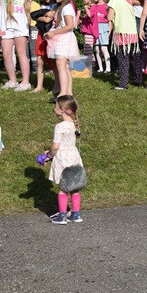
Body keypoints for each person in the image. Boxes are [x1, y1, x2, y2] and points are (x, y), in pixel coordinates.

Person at [42, 96, 84, 224]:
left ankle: (62, 216)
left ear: (62, 110)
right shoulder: (74, 124)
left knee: (63, 188)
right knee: (74, 188)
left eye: (56, 106)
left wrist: (48, 155)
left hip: (62, 158)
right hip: (74, 157)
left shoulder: (60, 126)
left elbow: (55, 147)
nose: (54, 108)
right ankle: (76, 214)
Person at [0, 0, 33, 90]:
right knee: (6, 54)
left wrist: (29, 30)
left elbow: (28, 13)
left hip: (20, 27)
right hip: (5, 27)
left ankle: (25, 82)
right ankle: (12, 80)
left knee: (21, 54)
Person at [44, 0, 81, 97]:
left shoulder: (67, 7)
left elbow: (69, 26)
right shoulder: (62, 7)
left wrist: (53, 32)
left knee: (61, 64)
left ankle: (63, 92)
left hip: (64, 38)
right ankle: (67, 92)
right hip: (61, 38)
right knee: (64, 66)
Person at [108, 0, 143, 90]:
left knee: (123, 59)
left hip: (121, 34)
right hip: (132, 33)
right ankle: (138, 80)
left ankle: (123, 84)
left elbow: (110, 17)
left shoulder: (114, 0)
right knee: (135, 59)